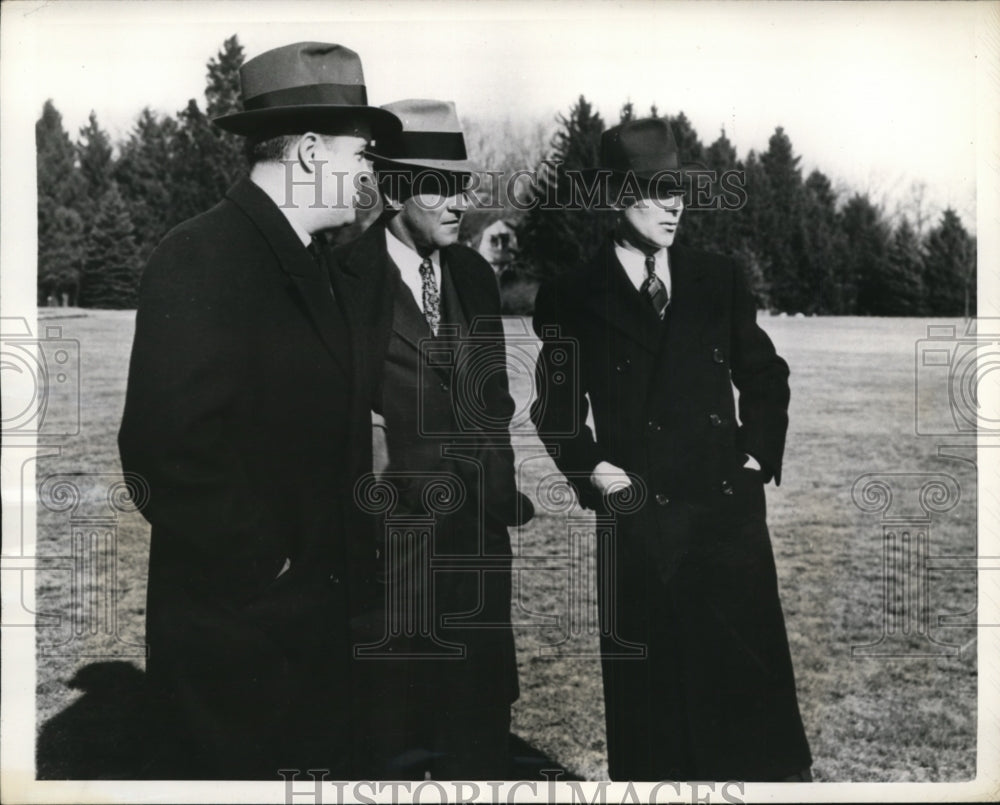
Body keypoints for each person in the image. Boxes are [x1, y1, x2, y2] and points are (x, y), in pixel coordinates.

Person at [117, 42, 401, 779]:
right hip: (238, 640)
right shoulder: (203, 256)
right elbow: (163, 447)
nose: (369, 171)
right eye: (360, 153)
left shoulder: (312, 261)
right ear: (308, 152)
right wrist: (269, 561)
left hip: (311, 637)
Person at [529, 117, 812, 781]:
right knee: (656, 727)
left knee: (747, 723)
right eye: (656, 190)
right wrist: (595, 470)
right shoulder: (572, 294)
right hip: (638, 529)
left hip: (726, 525)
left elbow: (766, 377)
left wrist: (753, 459)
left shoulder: (718, 277)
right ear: (612, 195)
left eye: (678, 189)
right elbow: (556, 406)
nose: (675, 204)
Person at [330, 99, 533, 780]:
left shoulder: (475, 277)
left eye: (462, 185)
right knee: (391, 746)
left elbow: (493, 402)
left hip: (478, 564)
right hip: (391, 572)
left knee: (478, 746)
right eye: (436, 185)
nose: (457, 203)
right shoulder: (341, 279)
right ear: (391, 189)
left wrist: (501, 497)